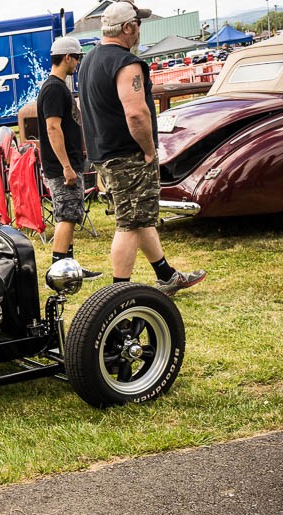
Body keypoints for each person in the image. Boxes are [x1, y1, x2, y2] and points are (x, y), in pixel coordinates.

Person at [79, 1, 205, 295]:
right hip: (129, 154)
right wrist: (149, 150)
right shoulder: (125, 62)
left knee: (140, 215)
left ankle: (166, 275)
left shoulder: (89, 60)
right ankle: (116, 296)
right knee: (130, 224)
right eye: (138, 24)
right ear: (127, 28)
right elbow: (136, 113)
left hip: (105, 154)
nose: (139, 30)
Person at [36, 36, 101, 280]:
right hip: (61, 166)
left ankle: (70, 267)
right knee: (66, 216)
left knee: (72, 214)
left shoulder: (56, 86)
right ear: (67, 58)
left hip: (67, 164)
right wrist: (66, 166)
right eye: (77, 58)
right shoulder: (54, 88)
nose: (78, 63)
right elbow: (53, 128)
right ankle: (58, 271)